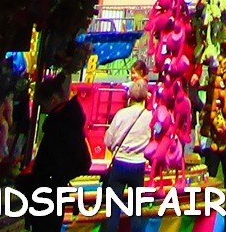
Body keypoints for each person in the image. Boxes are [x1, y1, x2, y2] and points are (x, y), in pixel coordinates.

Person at [27, 76, 91, 232]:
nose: (43, 109)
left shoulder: (59, 126)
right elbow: (83, 163)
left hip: (47, 192)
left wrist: (40, 177)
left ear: (54, 100)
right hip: (55, 192)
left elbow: (50, 164)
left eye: (43, 104)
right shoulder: (71, 122)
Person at [103, 67, 153, 230]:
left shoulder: (121, 114)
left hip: (120, 163)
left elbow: (108, 139)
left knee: (113, 209)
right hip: (138, 165)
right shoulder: (150, 117)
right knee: (136, 210)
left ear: (130, 97)